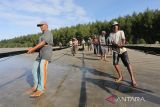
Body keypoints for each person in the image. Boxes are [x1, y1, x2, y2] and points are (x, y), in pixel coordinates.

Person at [27, 21, 53, 97]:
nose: (40, 27)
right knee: (34, 69)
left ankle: (41, 89)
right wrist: (33, 50)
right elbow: (40, 47)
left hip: (46, 55)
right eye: (39, 26)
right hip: (40, 55)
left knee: (42, 70)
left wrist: (33, 49)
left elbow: (43, 43)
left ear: (46, 25)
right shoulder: (41, 35)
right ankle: (36, 86)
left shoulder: (48, 33)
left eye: (42, 25)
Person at [109, 21, 137, 87]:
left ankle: (133, 79)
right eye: (114, 26)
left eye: (116, 25)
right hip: (115, 50)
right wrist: (116, 44)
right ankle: (120, 76)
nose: (115, 27)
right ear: (112, 27)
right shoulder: (111, 34)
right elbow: (112, 41)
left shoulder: (121, 32)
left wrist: (122, 44)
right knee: (115, 63)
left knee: (128, 63)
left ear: (118, 26)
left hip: (123, 50)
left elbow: (123, 39)